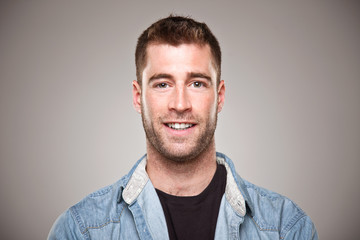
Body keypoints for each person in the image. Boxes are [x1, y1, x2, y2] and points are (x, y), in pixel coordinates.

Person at [48, 15, 318, 240]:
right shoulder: (81, 231)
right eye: (162, 84)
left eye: (197, 83)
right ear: (138, 96)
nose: (180, 104)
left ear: (220, 96)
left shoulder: (286, 228)